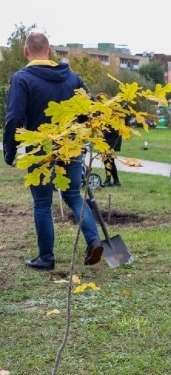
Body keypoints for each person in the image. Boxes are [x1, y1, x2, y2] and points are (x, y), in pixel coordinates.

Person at [3, 32, 103, 270]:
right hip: (70, 146)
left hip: (41, 148)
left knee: (42, 203)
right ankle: (94, 240)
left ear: (25, 52)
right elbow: (88, 110)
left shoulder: (22, 78)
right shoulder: (72, 77)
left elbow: (14, 117)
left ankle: (46, 257)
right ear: (49, 52)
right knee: (73, 195)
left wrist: (10, 149)